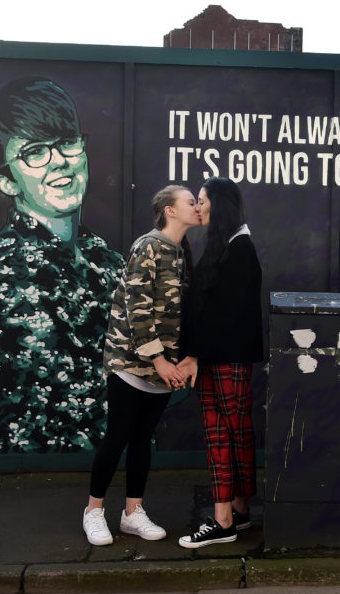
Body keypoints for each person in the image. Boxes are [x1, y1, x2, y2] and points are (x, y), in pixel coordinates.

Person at [0, 77, 124, 453]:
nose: (60, 161)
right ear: (6, 181)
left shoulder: (106, 258)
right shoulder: (1, 276)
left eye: (67, 142)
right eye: (35, 152)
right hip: (33, 478)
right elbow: (79, 401)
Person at [82, 184, 200, 546]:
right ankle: (93, 511)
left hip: (163, 368)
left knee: (142, 440)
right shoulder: (148, 245)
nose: (197, 208)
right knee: (117, 435)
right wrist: (159, 360)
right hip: (130, 362)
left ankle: (133, 513)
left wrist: (183, 358)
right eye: (190, 202)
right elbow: (138, 307)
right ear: (170, 210)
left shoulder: (183, 251)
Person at [176, 177, 264, 549]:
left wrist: (192, 354)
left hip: (222, 358)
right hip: (224, 358)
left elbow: (221, 314)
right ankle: (238, 510)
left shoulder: (238, 248)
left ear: (219, 204)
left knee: (221, 436)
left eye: (201, 200)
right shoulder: (232, 244)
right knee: (234, 432)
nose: (197, 206)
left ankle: (223, 520)